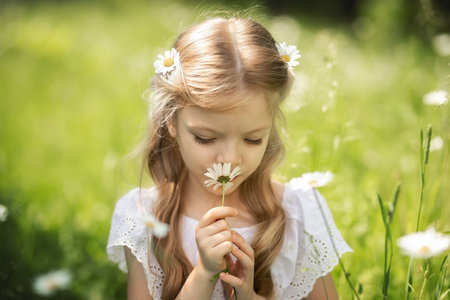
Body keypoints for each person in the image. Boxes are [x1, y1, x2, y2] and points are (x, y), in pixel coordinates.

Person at [107, 17, 352, 300]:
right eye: (206, 138)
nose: (230, 159)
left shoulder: (299, 214)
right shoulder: (144, 219)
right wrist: (204, 275)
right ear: (171, 121)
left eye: (252, 139)